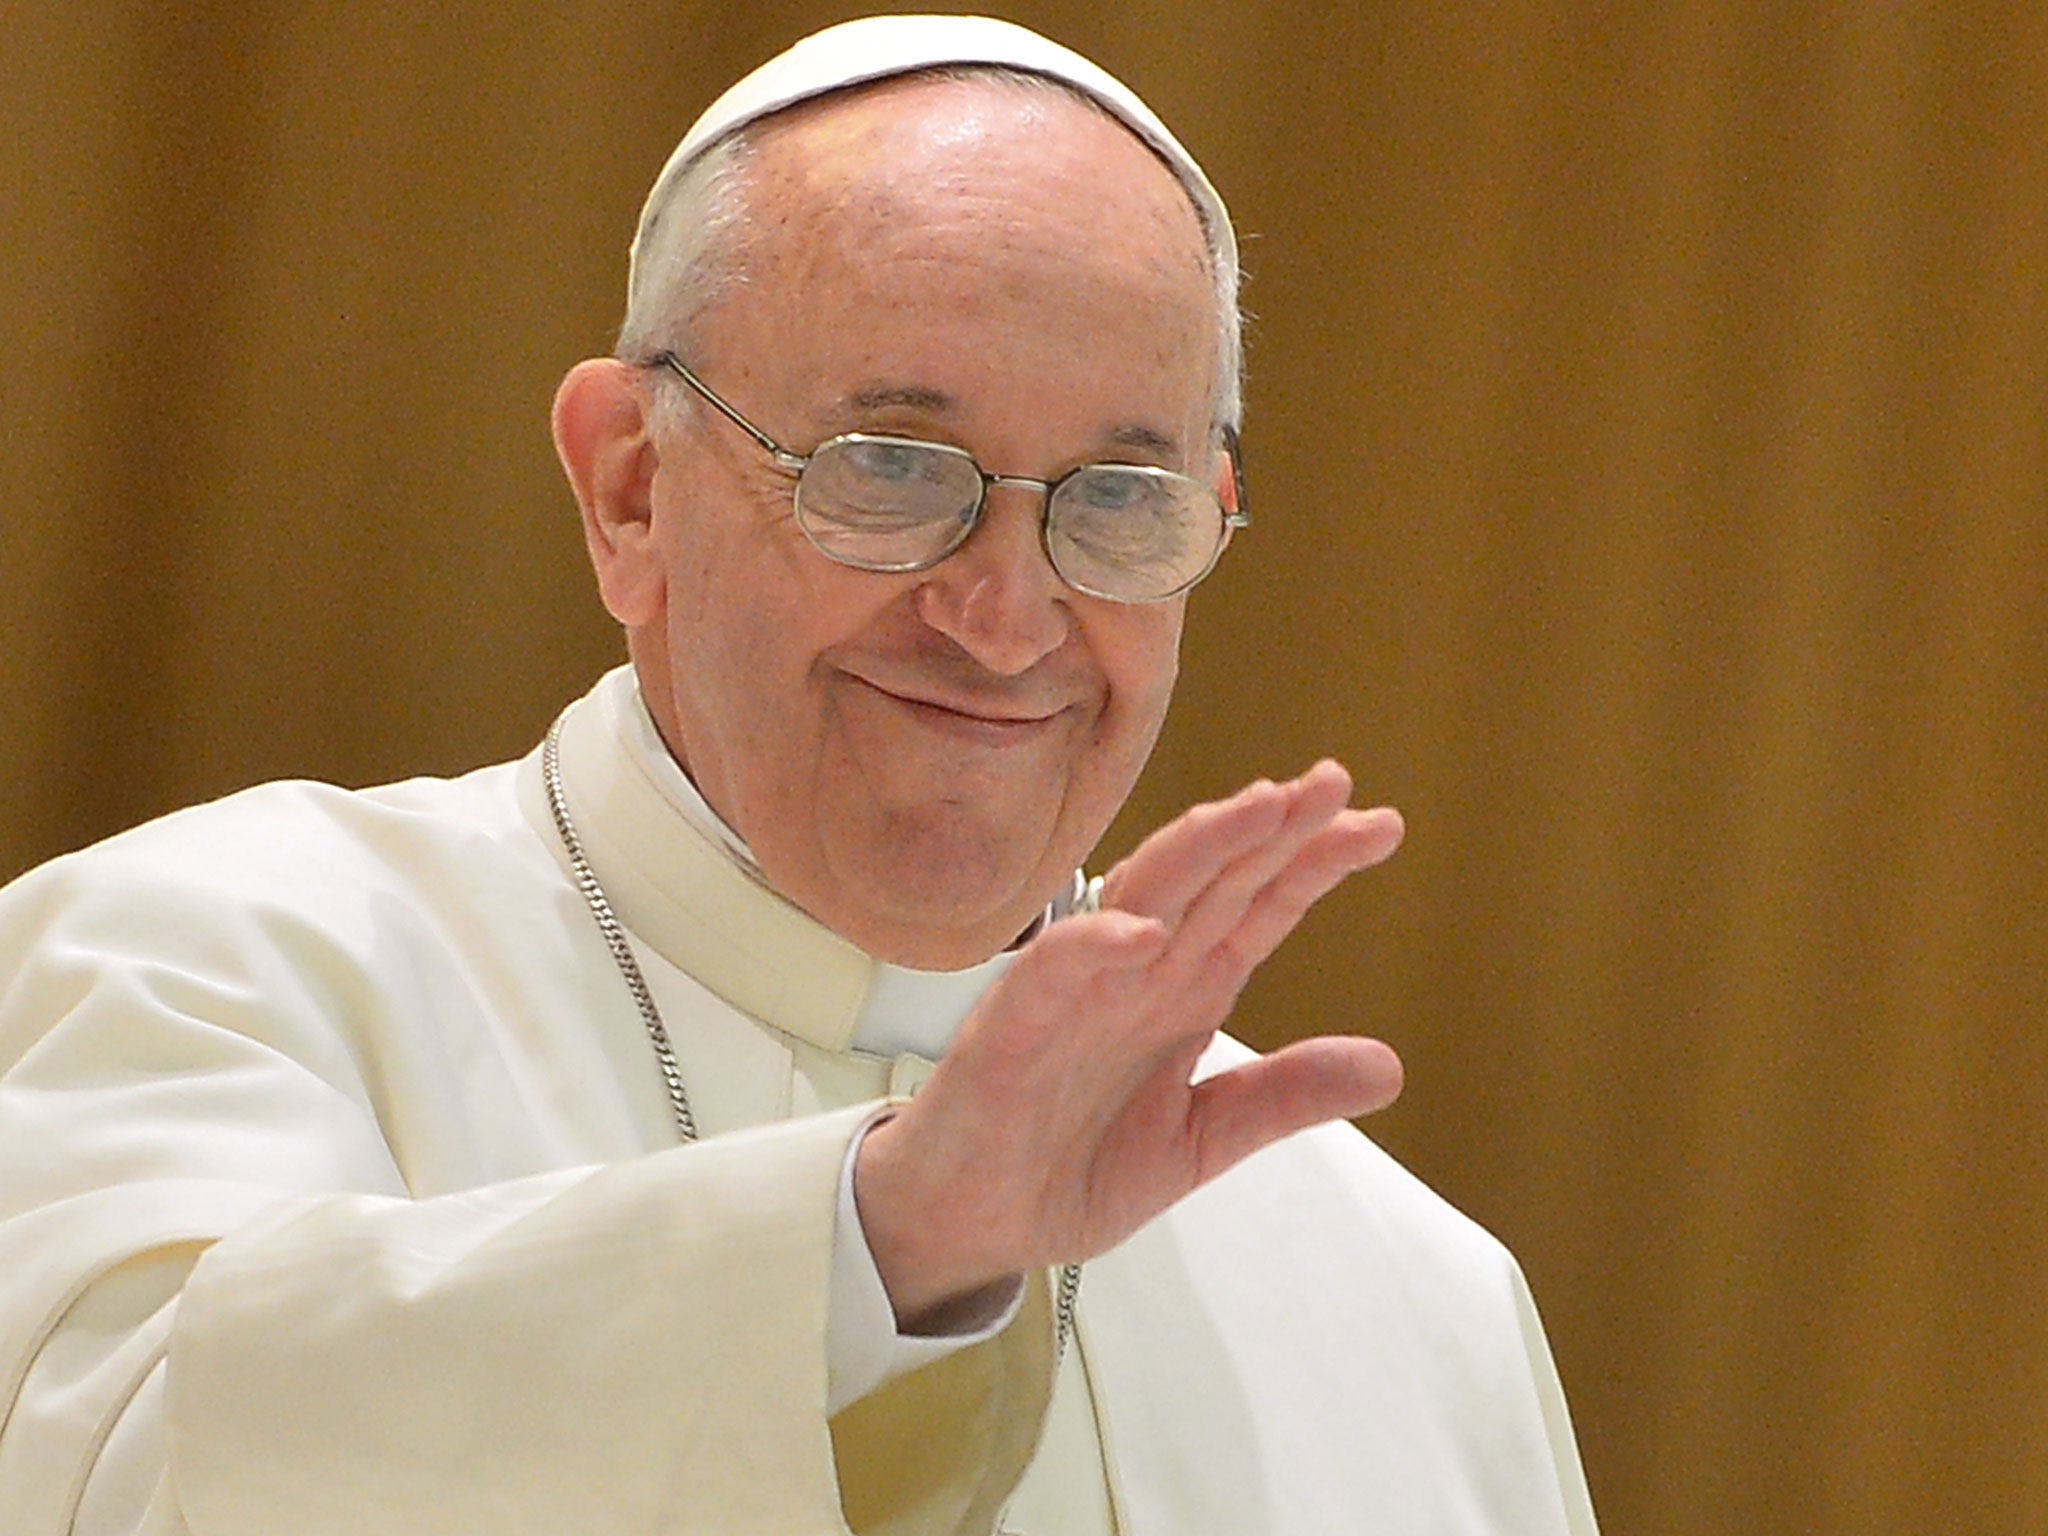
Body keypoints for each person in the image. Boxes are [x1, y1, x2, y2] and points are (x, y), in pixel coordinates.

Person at [0, 16, 1598, 1535]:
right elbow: (124, 1481)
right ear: (630, 491)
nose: (1006, 617)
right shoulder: (201, 969)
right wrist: (876, 1248)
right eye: (891, 468)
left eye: (1119, 499)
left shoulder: (1409, 1300)